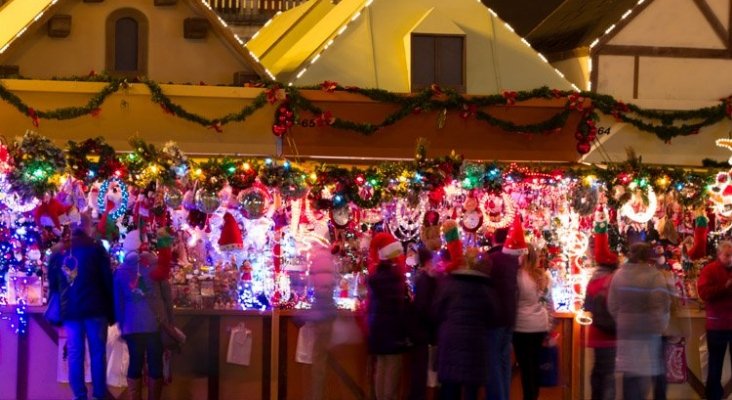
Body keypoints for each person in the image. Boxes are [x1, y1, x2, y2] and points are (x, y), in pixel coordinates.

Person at [47, 214, 115, 400]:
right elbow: (107, 281)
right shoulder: (96, 249)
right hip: (95, 309)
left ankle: (79, 395)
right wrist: (111, 310)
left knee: (75, 354)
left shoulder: (59, 251)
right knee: (97, 353)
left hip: (71, 311)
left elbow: (53, 283)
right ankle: (99, 395)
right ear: (88, 227)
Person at [114, 230, 173, 400]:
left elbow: (118, 303)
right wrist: (170, 322)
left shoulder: (120, 272)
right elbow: (167, 298)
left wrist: (121, 325)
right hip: (154, 324)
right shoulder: (155, 269)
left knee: (135, 363)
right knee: (155, 365)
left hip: (131, 326)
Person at [608, 242, 671, 400]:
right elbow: (661, 304)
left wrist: (622, 319)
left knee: (629, 372)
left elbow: (612, 305)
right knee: (650, 373)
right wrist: (660, 325)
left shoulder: (619, 275)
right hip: (649, 331)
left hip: (626, 330)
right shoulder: (654, 276)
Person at [434, 246, 497, 400]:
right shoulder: (486, 289)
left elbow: (436, 310)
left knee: (449, 387)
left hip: (450, 342)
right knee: (471, 390)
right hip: (476, 344)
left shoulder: (450, 284)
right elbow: (494, 316)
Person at [367, 232, 410, 400]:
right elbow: (400, 309)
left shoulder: (375, 277)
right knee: (392, 373)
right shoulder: (396, 280)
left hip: (377, 331)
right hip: (393, 333)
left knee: (381, 370)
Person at [584, 217, 619, 400]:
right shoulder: (615, 281)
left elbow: (587, 306)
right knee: (608, 375)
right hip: (611, 335)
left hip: (596, 333)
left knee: (597, 371)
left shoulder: (593, 281)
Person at [513, 244, 554, 400]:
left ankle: (528, 396)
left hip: (522, 326)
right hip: (539, 325)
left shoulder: (518, 276)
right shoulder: (543, 276)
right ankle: (534, 396)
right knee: (535, 365)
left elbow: (514, 301)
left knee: (525, 367)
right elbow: (548, 302)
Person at [486, 224, 521, 400]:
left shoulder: (492, 259)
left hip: (494, 317)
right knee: (504, 361)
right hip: (510, 316)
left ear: (494, 239)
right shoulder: (513, 260)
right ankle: (504, 395)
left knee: (492, 362)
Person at [697, 240, 732, 400]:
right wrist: (724, 287)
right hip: (717, 325)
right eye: (727, 255)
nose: (731, 258)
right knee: (715, 366)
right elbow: (704, 293)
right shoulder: (709, 270)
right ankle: (713, 396)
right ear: (719, 255)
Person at [305, 245, 338, 400]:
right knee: (324, 359)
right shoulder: (331, 263)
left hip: (319, 315)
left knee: (318, 359)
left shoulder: (316, 264)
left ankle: (316, 395)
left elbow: (311, 286)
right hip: (329, 314)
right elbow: (334, 285)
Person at [408, 246, 441, 400]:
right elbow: (425, 308)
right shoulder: (428, 280)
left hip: (422, 333)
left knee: (422, 373)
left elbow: (421, 306)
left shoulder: (424, 279)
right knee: (424, 373)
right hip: (425, 334)